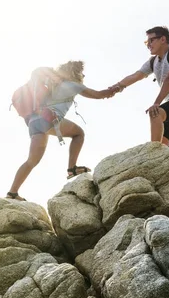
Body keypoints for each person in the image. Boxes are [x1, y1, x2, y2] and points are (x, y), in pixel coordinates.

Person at [6, 61, 115, 201]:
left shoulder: (53, 84)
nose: (83, 75)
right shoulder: (74, 85)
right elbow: (99, 95)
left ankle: (12, 193)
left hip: (34, 122)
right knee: (79, 134)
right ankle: (72, 168)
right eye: (81, 72)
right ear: (75, 72)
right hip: (48, 119)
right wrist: (117, 88)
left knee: (31, 161)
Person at [110, 26, 169, 146]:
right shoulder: (153, 62)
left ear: (163, 39)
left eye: (151, 40)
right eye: (146, 42)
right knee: (163, 143)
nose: (148, 45)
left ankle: (152, 153)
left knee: (155, 113)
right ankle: (162, 158)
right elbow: (136, 75)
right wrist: (116, 87)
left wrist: (157, 103)